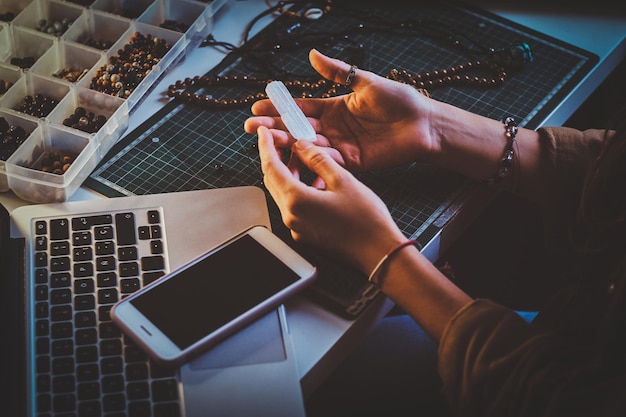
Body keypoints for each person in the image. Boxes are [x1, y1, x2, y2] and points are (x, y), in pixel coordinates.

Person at [244, 49, 626, 416]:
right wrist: (432, 126)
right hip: (572, 328)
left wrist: (379, 252)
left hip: (539, 376)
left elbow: (562, 401)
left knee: (282, 391)